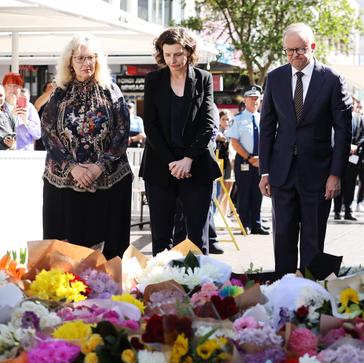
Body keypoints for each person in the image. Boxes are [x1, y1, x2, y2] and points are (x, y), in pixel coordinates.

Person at [259, 22, 352, 274]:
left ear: (312, 46)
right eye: (288, 51)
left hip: (319, 175)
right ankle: (284, 293)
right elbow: (267, 126)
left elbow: (343, 132)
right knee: (283, 238)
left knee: (313, 241)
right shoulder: (275, 78)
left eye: (299, 50)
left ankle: (310, 296)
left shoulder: (332, 80)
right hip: (281, 172)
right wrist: (264, 171)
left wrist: (335, 174)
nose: (294, 56)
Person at [40, 34, 132, 259]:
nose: (86, 63)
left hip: (110, 181)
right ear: (69, 62)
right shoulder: (59, 93)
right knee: (66, 256)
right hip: (64, 183)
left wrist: (98, 167)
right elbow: (48, 133)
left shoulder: (110, 90)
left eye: (91, 57)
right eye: (80, 58)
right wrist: (73, 167)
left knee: (108, 258)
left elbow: (122, 132)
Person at [140, 27, 221, 255]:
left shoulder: (204, 79)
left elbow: (208, 124)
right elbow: (151, 126)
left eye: (177, 54)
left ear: (188, 52)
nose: (172, 60)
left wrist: (188, 159)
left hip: (197, 165)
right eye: (167, 55)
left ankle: (200, 289)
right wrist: (173, 162)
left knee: (197, 238)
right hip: (160, 166)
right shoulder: (153, 80)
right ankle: (161, 286)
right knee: (161, 238)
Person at [227, 85, 269, 235]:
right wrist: (250, 158)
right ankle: (245, 224)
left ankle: (256, 224)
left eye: (257, 98)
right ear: (245, 100)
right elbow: (234, 142)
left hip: (261, 160)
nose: (254, 101)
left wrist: (261, 159)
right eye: (251, 98)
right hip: (245, 160)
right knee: (244, 193)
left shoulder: (264, 119)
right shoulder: (237, 119)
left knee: (259, 192)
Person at [333, 98, 364, 221]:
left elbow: (363, 135)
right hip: (340, 155)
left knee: (351, 184)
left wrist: (356, 146)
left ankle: (348, 210)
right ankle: (337, 211)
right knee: (338, 181)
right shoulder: (339, 116)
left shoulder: (359, 118)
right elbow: (335, 133)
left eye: (352, 104)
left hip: (353, 157)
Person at [2, 73, 41, 150]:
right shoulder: (1, 107)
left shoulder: (29, 107)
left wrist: (26, 122)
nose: (13, 89)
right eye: (9, 85)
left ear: (20, 88)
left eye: (16, 86)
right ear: (4, 88)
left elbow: (38, 134)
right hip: (4, 155)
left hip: (25, 156)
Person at [0, 85, 18, 150]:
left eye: (0, 95)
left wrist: (12, 145)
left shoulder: (9, 115)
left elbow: (16, 142)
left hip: (6, 158)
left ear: (4, 96)